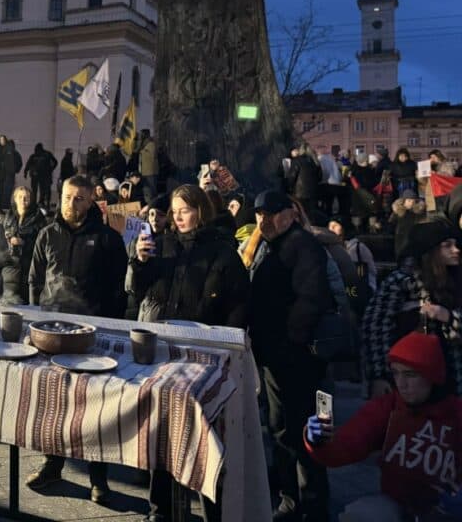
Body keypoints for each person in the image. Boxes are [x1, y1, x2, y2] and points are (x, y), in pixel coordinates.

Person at [129, 184, 248, 522]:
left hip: (206, 356)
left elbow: (238, 304)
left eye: (186, 209)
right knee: (163, 433)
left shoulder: (222, 251)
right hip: (167, 353)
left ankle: (213, 511)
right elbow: (140, 292)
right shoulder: (163, 245)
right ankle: (160, 510)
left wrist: (226, 348)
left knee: (204, 440)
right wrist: (139, 262)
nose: (178, 217)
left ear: (201, 211)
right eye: (175, 210)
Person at [26, 175, 126, 504]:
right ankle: (52, 465)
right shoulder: (47, 234)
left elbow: (118, 287)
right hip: (51, 331)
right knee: (53, 406)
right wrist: (37, 319)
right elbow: (35, 279)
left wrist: (108, 326)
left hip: (92, 335)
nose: (72, 203)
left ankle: (99, 479)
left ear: (92, 200)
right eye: (68, 197)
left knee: (95, 410)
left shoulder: (108, 239)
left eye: (80, 198)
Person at [304, 332, 462, 521]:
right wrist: (320, 442)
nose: (402, 384)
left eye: (410, 375)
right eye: (396, 373)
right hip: (397, 504)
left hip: (447, 509)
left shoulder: (456, 413)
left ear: (432, 377)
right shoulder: (389, 406)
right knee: (360, 513)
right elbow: (351, 442)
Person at [246, 190, 333, 522]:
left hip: (296, 359)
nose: (262, 220)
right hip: (273, 356)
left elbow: (311, 300)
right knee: (280, 428)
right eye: (257, 214)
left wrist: (287, 343)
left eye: (270, 213)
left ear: (290, 214)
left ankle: (310, 501)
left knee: (301, 431)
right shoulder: (269, 247)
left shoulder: (303, 245)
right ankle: (289, 497)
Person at [362, 218, 462, 399]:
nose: (456, 250)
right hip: (408, 380)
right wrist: (380, 375)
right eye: (447, 245)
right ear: (430, 250)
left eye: (456, 244)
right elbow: (375, 328)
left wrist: (448, 317)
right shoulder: (401, 282)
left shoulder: (455, 281)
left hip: (450, 378)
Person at [1, 186, 46, 305]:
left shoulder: (38, 217)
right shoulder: (9, 216)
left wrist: (24, 243)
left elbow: (42, 242)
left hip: (28, 265)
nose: (23, 200)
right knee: (9, 302)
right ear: (15, 199)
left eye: (26, 197)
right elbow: (2, 237)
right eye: (20, 197)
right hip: (10, 265)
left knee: (26, 302)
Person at [23, 143, 58, 209]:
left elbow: (55, 162)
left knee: (42, 190)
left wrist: (50, 169)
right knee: (38, 190)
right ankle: (37, 203)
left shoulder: (44, 154)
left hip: (42, 175)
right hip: (38, 175)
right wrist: (25, 172)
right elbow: (28, 164)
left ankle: (40, 203)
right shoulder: (36, 155)